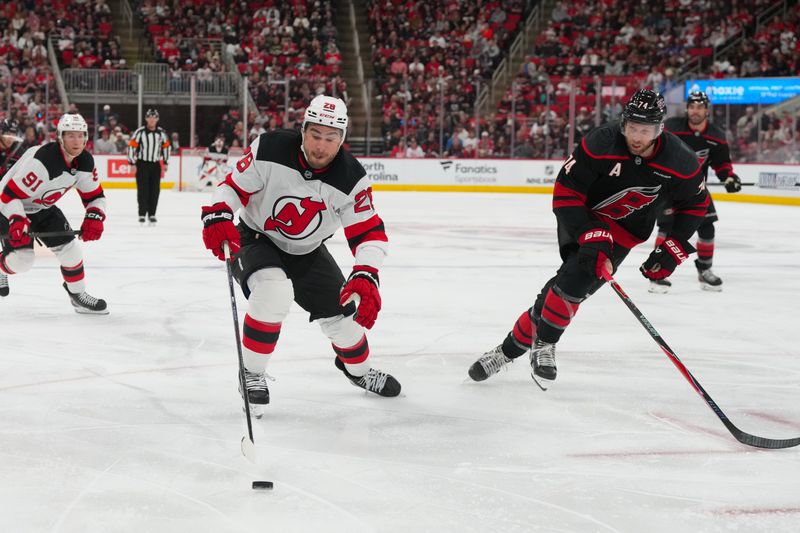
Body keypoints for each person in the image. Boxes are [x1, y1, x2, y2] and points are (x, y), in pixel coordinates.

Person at [467, 89, 709, 386]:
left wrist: (671, 249)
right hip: (583, 217)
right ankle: (544, 344)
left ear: (659, 129)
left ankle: (506, 352)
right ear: (623, 123)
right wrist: (589, 232)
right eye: (632, 127)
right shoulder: (601, 142)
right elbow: (566, 192)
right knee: (578, 278)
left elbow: (697, 204)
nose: (636, 136)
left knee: (560, 289)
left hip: (624, 232)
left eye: (645, 130)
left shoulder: (680, 160)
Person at [201, 94, 401, 412]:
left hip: (307, 251)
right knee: (272, 293)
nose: (321, 146)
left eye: (331, 138)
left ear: (342, 139)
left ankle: (359, 373)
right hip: (256, 238)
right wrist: (218, 213)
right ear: (303, 129)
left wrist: (366, 273)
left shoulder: (351, 178)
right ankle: (251, 372)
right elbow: (231, 188)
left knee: (346, 321)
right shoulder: (268, 147)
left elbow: (368, 233)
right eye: (315, 135)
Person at [0, 113, 108, 313]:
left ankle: (77, 295)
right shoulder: (44, 161)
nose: (76, 141)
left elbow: (95, 196)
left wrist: (95, 215)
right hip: (9, 205)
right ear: (60, 137)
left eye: (80, 135)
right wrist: (16, 219)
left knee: (71, 251)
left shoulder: (84, 161)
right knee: (22, 261)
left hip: (42, 207)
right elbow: (8, 195)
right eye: (70, 135)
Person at [650, 90, 741, 293]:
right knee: (666, 231)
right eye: (692, 107)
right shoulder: (672, 127)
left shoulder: (716, 135)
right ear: (687, 109)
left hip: (698, 190)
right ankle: (656, 272)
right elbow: (655, 148)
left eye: (699, 107)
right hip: (669, 189)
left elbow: (722, 162)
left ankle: (705, 271)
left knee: (707, 229)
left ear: (706, 110)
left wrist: (729, 177)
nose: (695, 111)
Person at [127, 109, 170, 225]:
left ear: (157, 119)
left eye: (154, 117)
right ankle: (142, 214)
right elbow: (131, 147)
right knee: (143, 190)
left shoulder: (161, 133)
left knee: (155, 190)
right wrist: (132, 163)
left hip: (155, 165)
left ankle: (152, 214)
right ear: (146, 119)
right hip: (142, 164)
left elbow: (166, 147)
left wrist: (166, 162)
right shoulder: (140, 132)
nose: (152, 120)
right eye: (149, 117)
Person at [0, 118, 25, 297]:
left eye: (13, 135)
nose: (10, 138)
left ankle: (1, 272)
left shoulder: (19, 152)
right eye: (6, 134)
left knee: (9, 238)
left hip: (6, 201)